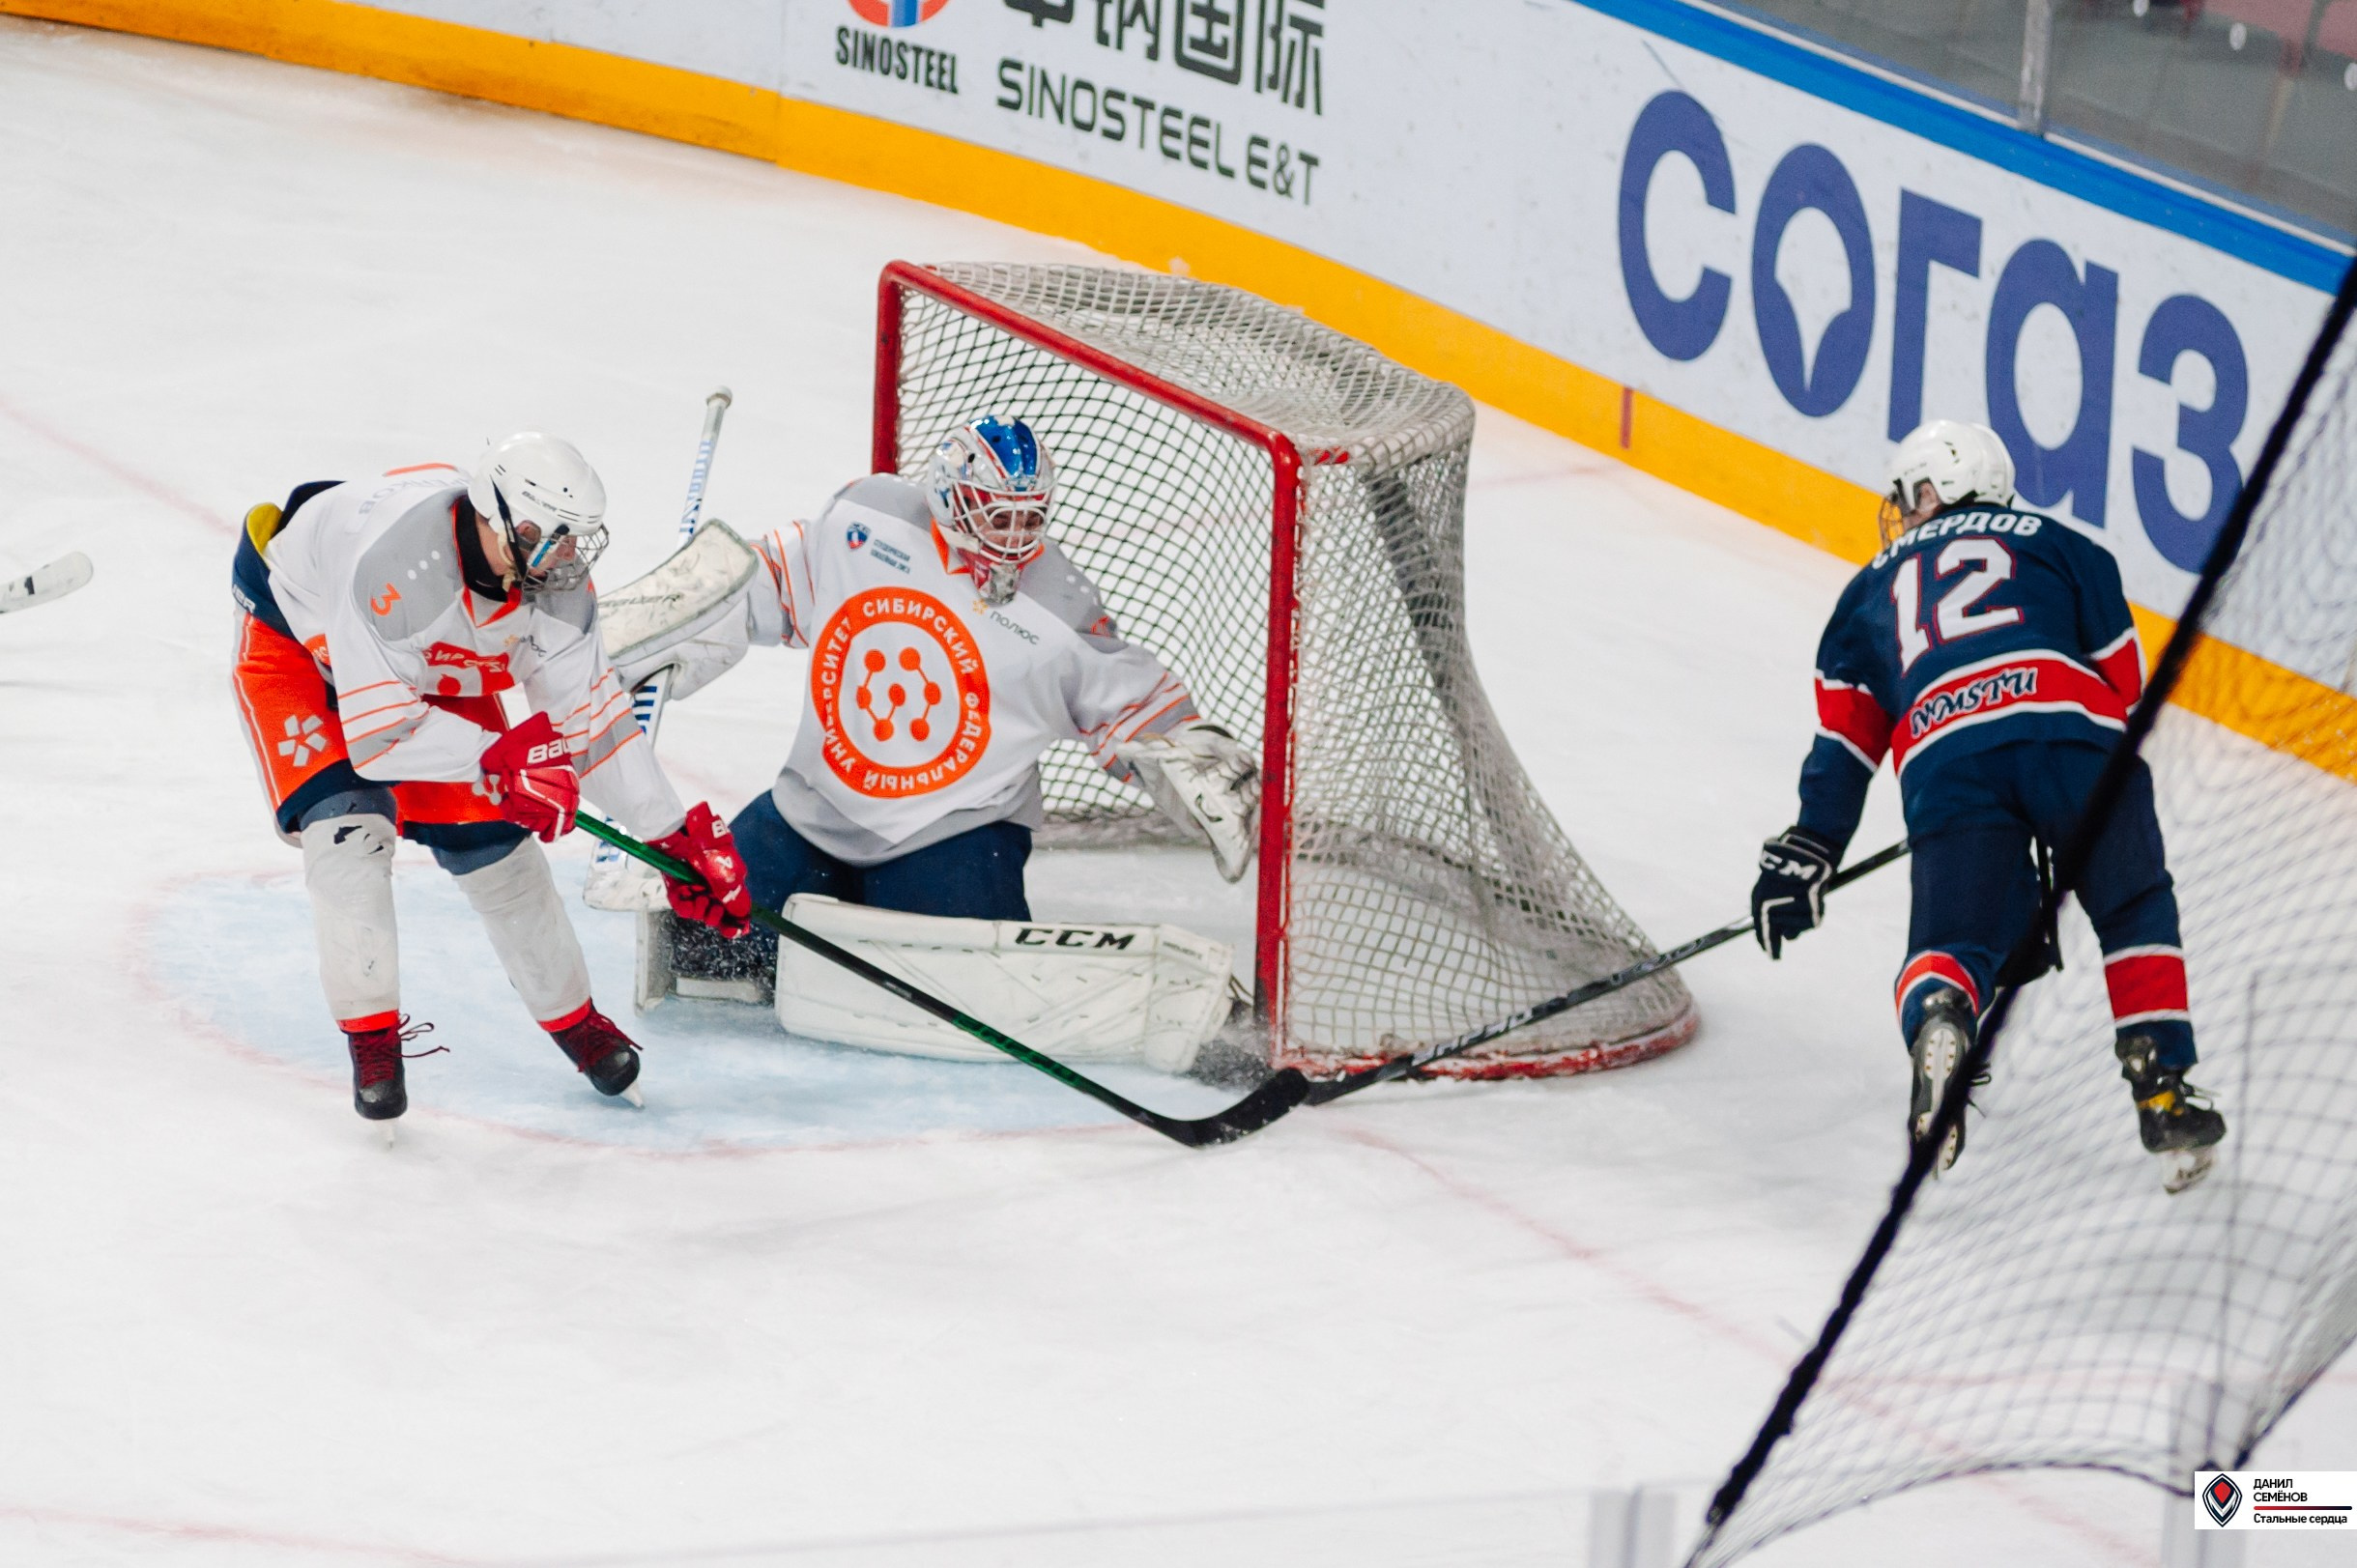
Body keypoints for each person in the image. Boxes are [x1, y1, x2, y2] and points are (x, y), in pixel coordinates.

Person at [1749, 418, 2226, 1188]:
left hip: (1946, 757)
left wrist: (1813, 844)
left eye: (1908, 497)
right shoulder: (2064, 544)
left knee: (1951, 945)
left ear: (1938, 487)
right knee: (2133, 902)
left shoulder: (1867, 588)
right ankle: (2161, 1086)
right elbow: (2124, 686)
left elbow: (1846, 743)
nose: (1902, 514)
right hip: (2074, 737)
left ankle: (1941, 1009)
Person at [231, 433, 752, 1122]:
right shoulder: (397, 573)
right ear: (509, 520)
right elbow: (380, 736)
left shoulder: (552, 586)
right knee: (349, 840)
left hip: (423, 665)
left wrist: (673, 835)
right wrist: (497, 757)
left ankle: (577, 1025)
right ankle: (374, 1044)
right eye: (558, 539)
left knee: (499, 852)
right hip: (302, 646)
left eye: (579, 541)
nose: (571, 558)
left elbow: (591, 725)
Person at [646, 414, 1258, 987]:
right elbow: (778, 579)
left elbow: (1129, 700)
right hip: (815, 806)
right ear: (951, 499)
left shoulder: (1059, 605)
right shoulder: (871, 519)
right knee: (702, 943)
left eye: (1028, 518)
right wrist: (687, 608)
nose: (1015, 537)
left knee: (958, 988)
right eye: (996, 515)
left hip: (955, 829)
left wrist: (1186, 752)